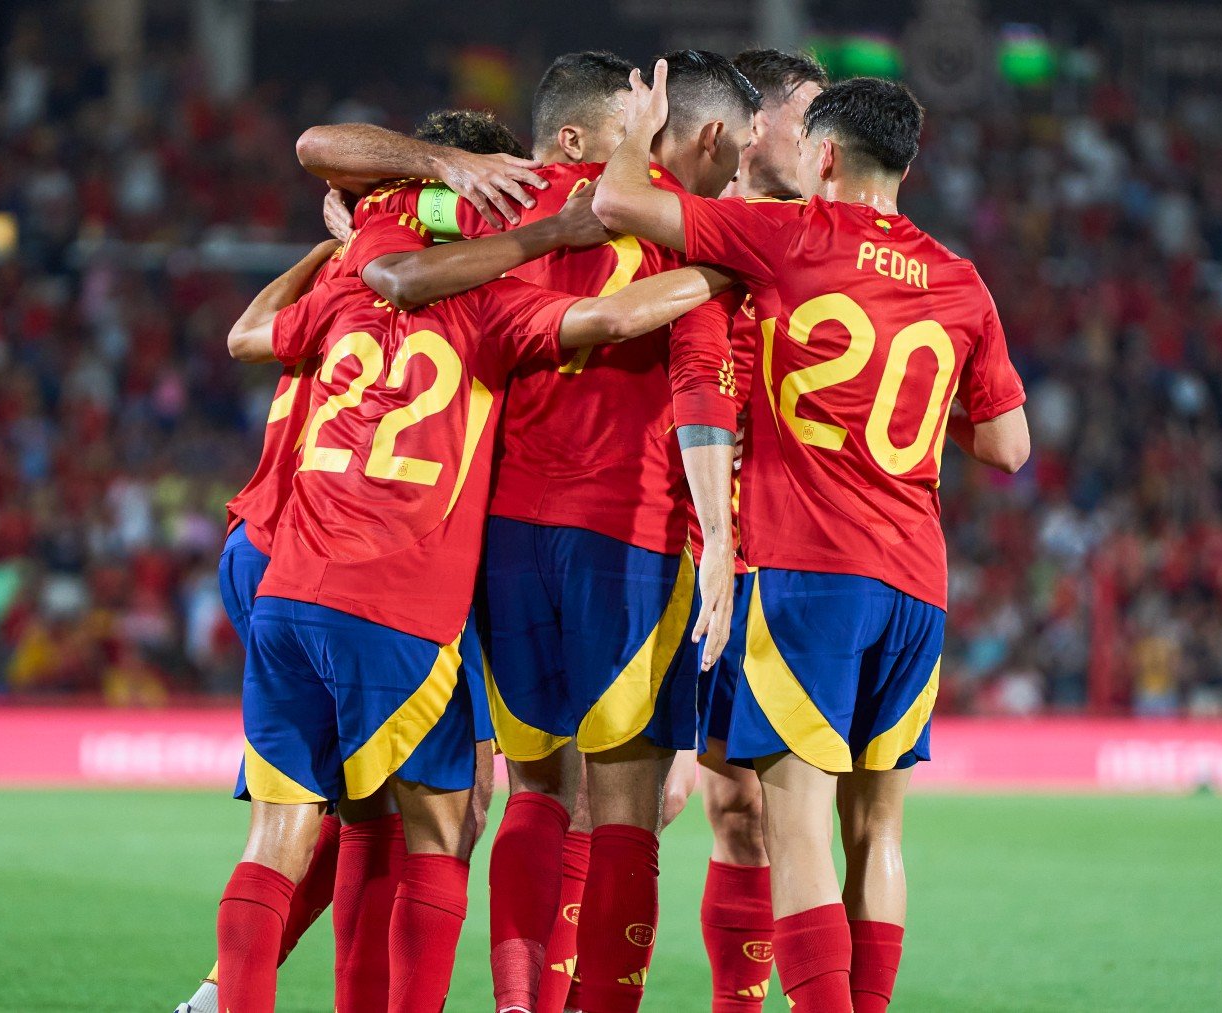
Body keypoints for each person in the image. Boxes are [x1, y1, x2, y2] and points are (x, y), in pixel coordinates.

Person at [298, 50, 755, 1013]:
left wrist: (405, 190)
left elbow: (365, 216)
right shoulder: (677, 222)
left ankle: (516, 1004)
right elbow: (696, 379)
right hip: (627, 529)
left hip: (502, 539)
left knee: (535, 789)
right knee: (627, 806)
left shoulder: (507, 199)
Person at [593, 65, 1030, 1011]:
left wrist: (643, 128)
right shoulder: (960, 281)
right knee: (879, 832)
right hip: (916, 584)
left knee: (794, 825)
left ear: (824, 156)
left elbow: (619, 199)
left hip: (809, 575)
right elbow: (1009, 444)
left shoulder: (789, 235)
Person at [176, 110, 612, 1013]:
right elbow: (323, 153)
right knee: (439, 812)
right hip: (388, 556)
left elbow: (248, 334)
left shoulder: (356, 267)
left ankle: (229, 991)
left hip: (274, 546)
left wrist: (327, 248)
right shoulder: (468, 268)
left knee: (328, 811)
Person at [667, 48, 829, 1013]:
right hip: (670, 539)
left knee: (752, 808)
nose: (821, 143)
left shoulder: (832, 239)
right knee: (657, 795)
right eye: (807, 118)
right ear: (754, 126)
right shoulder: (695, 222)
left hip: (783, 554)